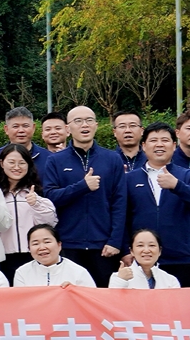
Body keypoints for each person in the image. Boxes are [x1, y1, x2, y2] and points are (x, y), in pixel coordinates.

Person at [37, 105, 125, 287]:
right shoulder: (55, 160)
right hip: (68, 243)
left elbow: (120, 202)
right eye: (78, 121)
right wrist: (82, 186)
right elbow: (51, 197)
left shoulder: (112, 159)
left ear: (96, 125)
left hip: (103, 244)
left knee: (103, 295)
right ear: (68, 128)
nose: (84, 125)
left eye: (89, 120)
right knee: (69, 296)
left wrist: (115, 241)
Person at [110, 122, 190, 278]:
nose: (159, 145)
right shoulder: (129, 179)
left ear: (174, 145)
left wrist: (177, 186)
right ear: (144, 146)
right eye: (153, 140)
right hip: (140, 258)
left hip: (180, 257)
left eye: (165, 140)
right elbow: (121, 216)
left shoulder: (188, 176)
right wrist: (124, 249)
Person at [0, 145, 55, 275]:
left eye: (22, 163)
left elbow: (50, 223)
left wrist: (36, 204)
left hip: (33, 254)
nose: (17, 167)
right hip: (2, 255)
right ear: (2, 163)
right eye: (11, 162)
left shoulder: (36, 191)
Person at [12, 224, 94, 287]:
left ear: (59, 245)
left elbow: (91, 299)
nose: (42, 247)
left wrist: (75, 292)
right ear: (29, 248)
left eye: (47, 242)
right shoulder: (22, 273)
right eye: (35, 243)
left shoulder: (79, 272)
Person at [108, 228, 182, 289]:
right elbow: (112, 301)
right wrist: (121, 281)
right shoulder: (118, 277)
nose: (146, 250)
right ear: (131, 251)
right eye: (140, 245)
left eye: (152, 245)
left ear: (159, 251)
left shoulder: (170, 281)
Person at [0, 106, 43, 172]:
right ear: (6, 129)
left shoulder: (47, 157)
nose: (21, 130)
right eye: (15, 126)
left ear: (33, 128)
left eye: (25, 126)